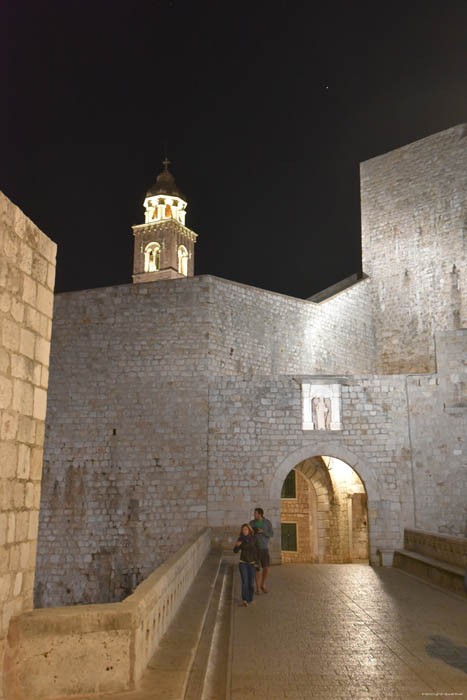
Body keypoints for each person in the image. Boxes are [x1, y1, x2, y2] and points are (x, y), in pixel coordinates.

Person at [233, 523, 259, 606]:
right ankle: (244, 600)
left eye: (246, 529)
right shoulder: (240, 539)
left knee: (251, 583)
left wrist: (257, 563)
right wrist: (237, 546)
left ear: (249, 530)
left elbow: (256, 551)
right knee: (244, 582)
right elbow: (235, 551)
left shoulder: (254, 539)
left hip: (252, 564)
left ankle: (250, 599)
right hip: (243, 563)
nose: (244, 531)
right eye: (243, 529)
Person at [250, 507, 273, 594]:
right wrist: (254, 532)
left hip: (264, 548)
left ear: (260, 514)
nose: (254, 514)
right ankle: (258, 587)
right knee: (256, 568)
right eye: (254, 513)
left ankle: (263, 584)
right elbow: (248, 533)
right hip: (255, 549)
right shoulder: (251, 523)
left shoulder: (267, 523)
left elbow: (271, 534)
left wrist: (263, 531)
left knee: (266, 568)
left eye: (255, 513)